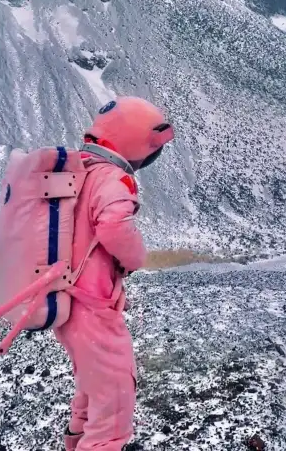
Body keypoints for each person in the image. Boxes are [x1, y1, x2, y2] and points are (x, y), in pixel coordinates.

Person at [56, 95, 175, 451]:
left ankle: (76, 441)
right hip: (90, 303)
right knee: (116, 393)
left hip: (67, 299)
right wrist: (136, 258)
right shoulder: (113, 178)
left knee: (93, 383)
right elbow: (113, 225)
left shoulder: (80, 169)